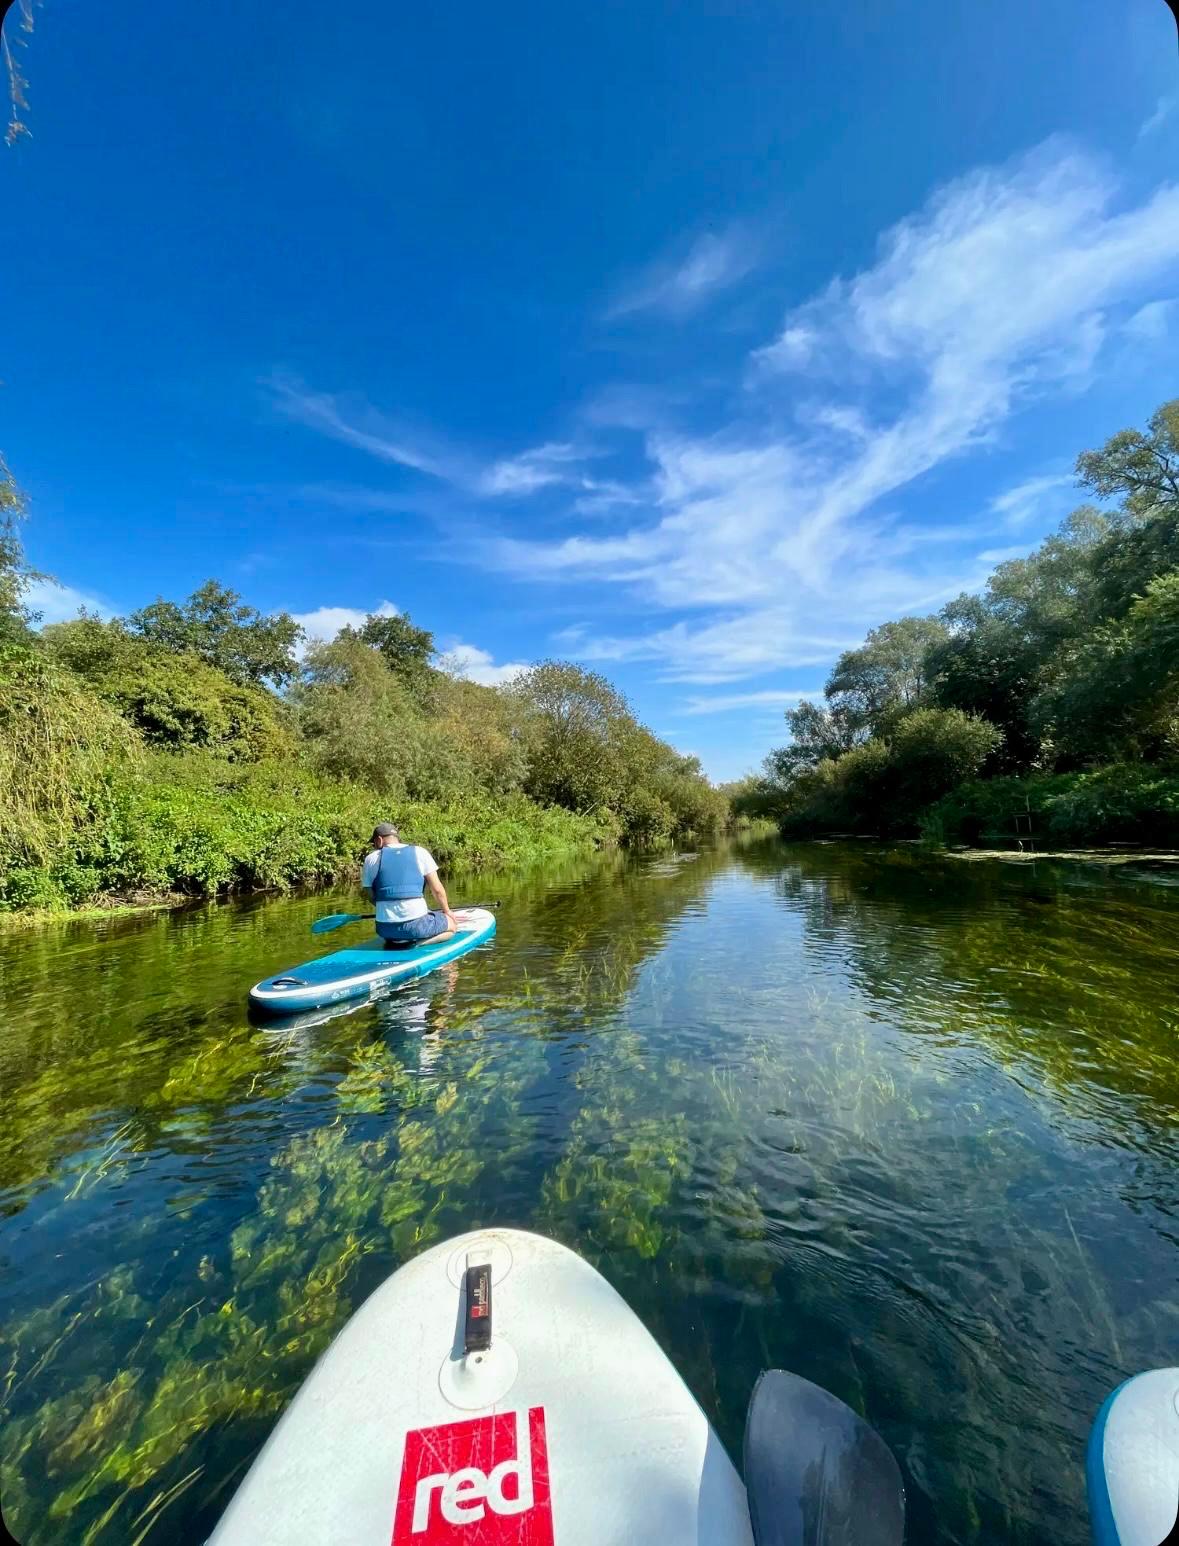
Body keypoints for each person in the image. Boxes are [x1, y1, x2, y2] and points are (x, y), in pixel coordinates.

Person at [362, 823, 460, 949]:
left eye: (374, 843)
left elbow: (371, 896)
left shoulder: (370, 859)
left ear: (379, 840)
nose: (375, 847)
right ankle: (417, 944)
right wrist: (447, 911)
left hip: (384, 929)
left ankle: (396, 940)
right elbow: (437, 890)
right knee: (451, 926)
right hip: (415, 926)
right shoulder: (420, 852)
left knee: (400, 928)